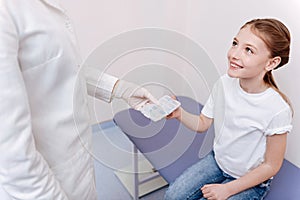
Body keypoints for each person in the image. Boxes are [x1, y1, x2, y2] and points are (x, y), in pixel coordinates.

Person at [0, 0, 157, 199]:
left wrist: (121, 89)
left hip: (75, 168)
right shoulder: (6, 12)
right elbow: (13, 159)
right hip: (42, 186)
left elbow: (62, 69)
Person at [164, 18, 293, 200]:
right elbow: (202, 123)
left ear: (271, 63)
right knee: (172, 197)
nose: (234, 54)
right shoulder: (224, 84)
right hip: (218, 162)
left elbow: (271, 166)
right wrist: (179, 114)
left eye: (248, 50)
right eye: (235, 43)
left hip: (251, 181)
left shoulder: (277, 109)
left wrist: (228, 189)